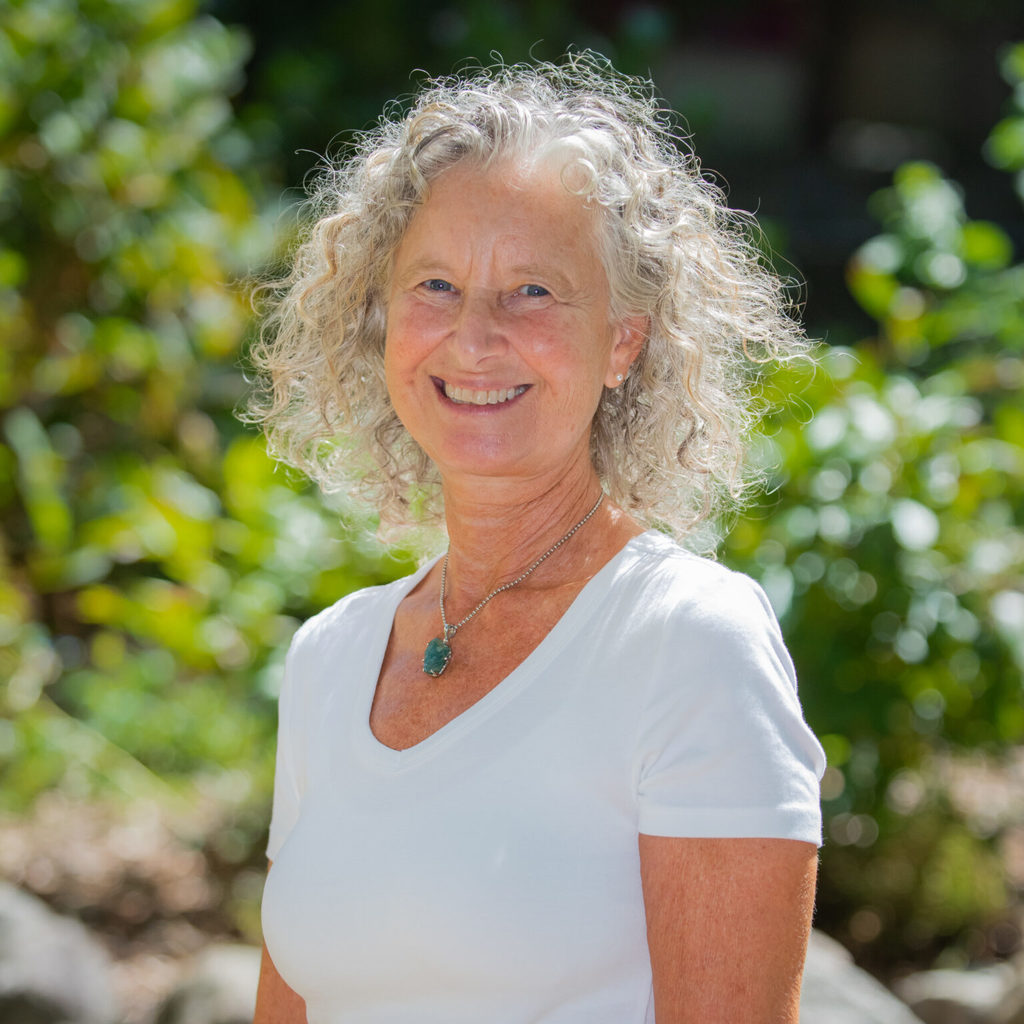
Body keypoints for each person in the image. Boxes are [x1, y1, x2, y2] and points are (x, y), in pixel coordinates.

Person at [248, 53, 825, 1024]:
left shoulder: (690, 644)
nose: (474, 336)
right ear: (383, 320)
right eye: (436, 284)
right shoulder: (330, 658)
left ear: (623, 342)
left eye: (532, 291)